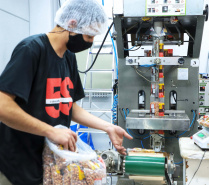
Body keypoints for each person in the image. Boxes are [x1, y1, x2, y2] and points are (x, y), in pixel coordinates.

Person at [0, 0, 132, 184]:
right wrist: (50, 131)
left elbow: (68, 106)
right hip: (17, 163)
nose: (91, 43)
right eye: (89, 36)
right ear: (72, 24)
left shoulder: (68, 58)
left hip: (48, 162)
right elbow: (3, 106)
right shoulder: (31, 49)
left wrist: (107, 127)